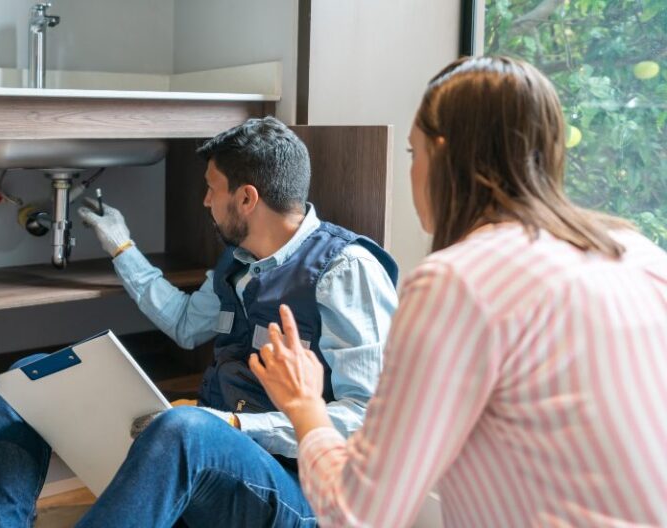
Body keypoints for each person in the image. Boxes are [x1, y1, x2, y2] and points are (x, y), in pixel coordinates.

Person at [251, 57, 667, 527]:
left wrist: (304, 405)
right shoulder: (640, 254)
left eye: (412, 153)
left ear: (443, 154)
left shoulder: (457, 280)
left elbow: (356, 514)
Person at [0, 116, 399, 527]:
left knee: (185, 427)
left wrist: (233, 426)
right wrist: (122, 249)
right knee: (30, 378)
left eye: (212, 188)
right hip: (214, 458)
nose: (205, 201)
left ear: (246, 198)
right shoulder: (239, 260)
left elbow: (367, 420)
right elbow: (187, 324)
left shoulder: (345, 269)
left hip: (297, 492)